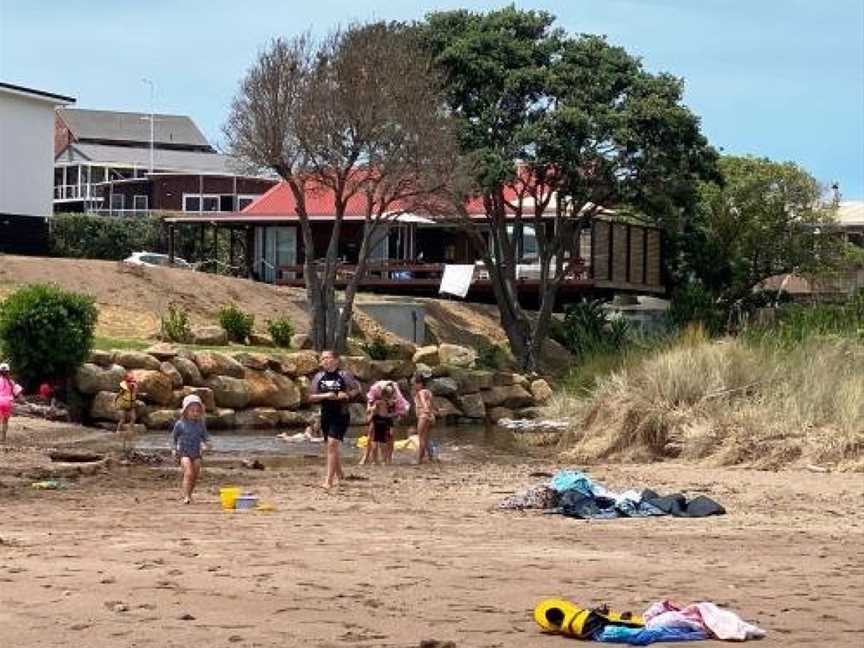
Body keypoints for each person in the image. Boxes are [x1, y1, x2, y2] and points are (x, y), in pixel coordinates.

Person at [308, 350, 361, 489]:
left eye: (327, 358)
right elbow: (311, 396)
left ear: (336, 360)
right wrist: (325, 396)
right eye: (322, 358)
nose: (324, 360)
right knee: (332, 447)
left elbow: (357, 389)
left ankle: (328, 480)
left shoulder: (344, 375)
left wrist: (347, 395)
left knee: (332, 444)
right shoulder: (319, 376)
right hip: (326, 414)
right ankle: (340, 473)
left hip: (341, 414)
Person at [171, 394, 210, 504]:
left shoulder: (200, 424)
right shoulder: (180, 424)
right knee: (188, 473)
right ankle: (186, 496)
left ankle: (190, 493)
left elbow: (205, 436)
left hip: (196, 453)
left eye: (197, 411)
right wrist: (174, 449)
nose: (195, 413)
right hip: (184, 453)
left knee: (195, 474)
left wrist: (207, 444)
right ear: (185, 411)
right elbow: (173, 438)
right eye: (192, 410)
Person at [364, 383, 398, 465]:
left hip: (381, 422)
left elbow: (372, 412)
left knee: (379, 442)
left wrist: (370, 416)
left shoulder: (384, 403)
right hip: (380, 421)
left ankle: (380, 460)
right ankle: (380, 460)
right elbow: (372, 411)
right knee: (379, 442)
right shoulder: (383, 403)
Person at [413, 372, 439, 464]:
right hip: (431, 417)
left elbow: (424, 402)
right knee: (427, 438)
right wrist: (437, 410)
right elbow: (433, 405)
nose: (414, 386)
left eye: (415, 384)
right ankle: (431, 457)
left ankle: (420, 459)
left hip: (423, 416)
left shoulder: (420, 392)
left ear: (420, 384)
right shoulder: (429, 392)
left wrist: (425, 409)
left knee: (421, 438)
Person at [0, 363, 23, 444]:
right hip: (7, 403)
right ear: (8, 371)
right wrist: (24, 401)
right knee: (5, 421)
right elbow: (18, 393)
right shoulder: (11, 382)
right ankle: (2, 439)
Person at [114, 372, 138, 452]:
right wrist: (115, 403)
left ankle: (130, 431)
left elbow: (135, 393)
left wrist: (135, 388)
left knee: (133, 418)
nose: (132, 383)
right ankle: (118, 431)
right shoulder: (123, 387)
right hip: (122, 405)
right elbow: (118, 395)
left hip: (131, 405)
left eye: (132, 381)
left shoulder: (134, 386)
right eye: (130, 381)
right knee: (122, 419)